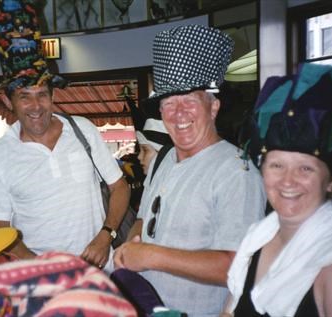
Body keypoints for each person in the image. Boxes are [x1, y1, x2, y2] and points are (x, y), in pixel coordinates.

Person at [113, 24, 266, 316]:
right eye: (169, 102)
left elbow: (235, 266)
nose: (178, 113)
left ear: (213, 107)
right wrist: (132, 245)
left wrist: (151, 256)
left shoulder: (237, 172)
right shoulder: (165, 159)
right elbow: (144, 219)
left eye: (190, 100)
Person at [0, 0, 130, 271]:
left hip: (98, 271)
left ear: (52, 96)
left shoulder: (82, 130)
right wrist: (44, 269)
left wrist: (105, 235)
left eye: (42, 94)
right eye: (24, 97)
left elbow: (119, 187)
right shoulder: (1, 155)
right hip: (40, 278)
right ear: (8, 100)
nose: (36, 106)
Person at [223, 63, 332, 317]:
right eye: (277, 165)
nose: (288, 181)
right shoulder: (259, 237)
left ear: (330, 181)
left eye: (305, 169)